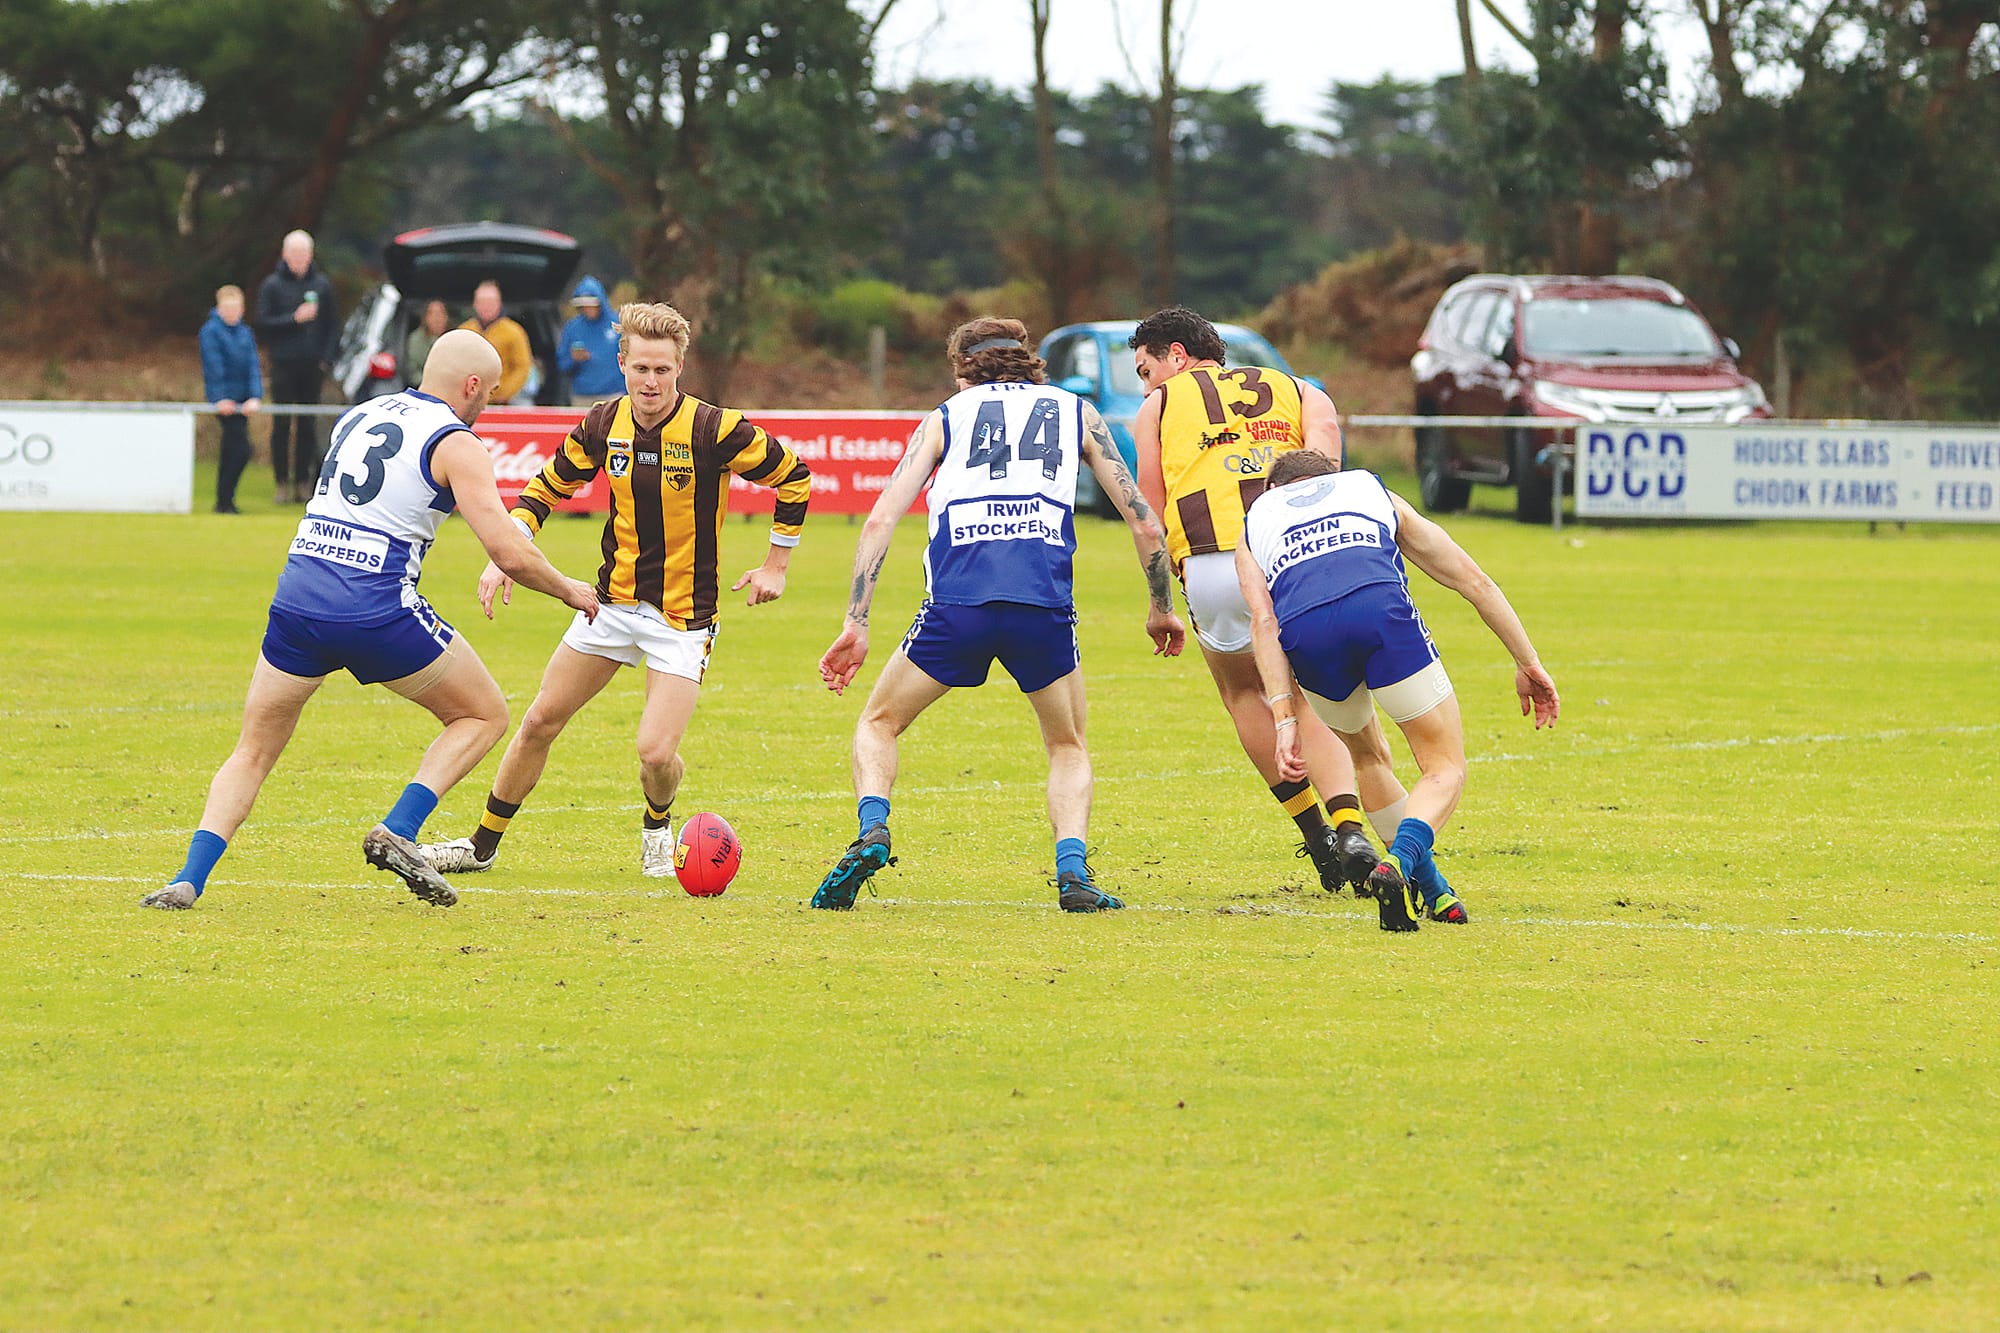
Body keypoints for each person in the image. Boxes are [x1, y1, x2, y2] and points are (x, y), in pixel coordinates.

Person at [143, 332, 602, 911]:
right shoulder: (457, 442)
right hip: (373, 606)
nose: (487, 405)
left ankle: (188, 878)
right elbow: (508, 550)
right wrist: (569, 590)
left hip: (298, 598)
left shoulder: (359, 413)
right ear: (470, 386)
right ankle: (400, 830)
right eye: (487, 393)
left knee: (253, 750)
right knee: (483, 714)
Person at [414, 302, 811, 879]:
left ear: (680, 370)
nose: (651, 382)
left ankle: (657, 823)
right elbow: (545, 489)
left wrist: (776, 566)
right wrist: (506, 553)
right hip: (610, 604)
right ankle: (481, 846)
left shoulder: (714, 428)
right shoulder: (602, 423)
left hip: (684, 618)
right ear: (621, 363)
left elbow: (794, 477)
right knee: (539, 721)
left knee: (654, 753)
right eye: (641, 369)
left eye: (663, 371)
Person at [812, 316, 1185, 913]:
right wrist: (1161, 606)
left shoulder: (946, 417)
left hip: (956, 607)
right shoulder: (1074, 412)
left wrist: (857, 621)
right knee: (1067, 745)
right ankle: (1073, 875)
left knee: (878, 724)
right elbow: (1143, 519)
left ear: (963, 369)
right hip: (1043, 607)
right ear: (1029, 362)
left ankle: (873, 831)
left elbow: (881, 519)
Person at [1130, 306, 1425, 910]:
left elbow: (1149, 515)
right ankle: (1350, 828)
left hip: (1211, 560)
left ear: (1177, 358)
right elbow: (1328, 482)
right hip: (1291, 556)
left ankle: (1316, 836)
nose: (1145, 384)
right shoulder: (1303, 392)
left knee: (1245, 693)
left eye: (1145, 369)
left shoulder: (1158, 407)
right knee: (1306, 698)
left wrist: (1161, 600)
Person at [1237, 449, 1560, 931]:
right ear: (1332, 476)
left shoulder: (1254, 521)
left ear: (1272, 490)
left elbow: (1263, 621)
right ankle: (1400, 865)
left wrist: (1285, 721)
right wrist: (1527, 661)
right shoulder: (1369, 489)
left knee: (1367, 759)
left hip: (1307, 636)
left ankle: (1436, 894)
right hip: (1379, 615)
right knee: (1444, 767)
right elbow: (1473, 580)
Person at [253, 229, 338, 504]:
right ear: (285, 255)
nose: (300, 259)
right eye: (295, 254)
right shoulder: (272, 286)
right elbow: (263, 323)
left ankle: (304, 482)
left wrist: (326, 359)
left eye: (304, 254)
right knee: (281, 425)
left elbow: (332, 326)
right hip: (283, 365)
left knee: (307, 425)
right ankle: (280, 482)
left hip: (312, 367)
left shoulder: (322, 285)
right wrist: (294, 318)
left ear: (311, 255)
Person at [199, 284, 261, 514]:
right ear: (219, 307)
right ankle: (225, 499)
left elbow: (252, 366)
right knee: (240, 449)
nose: (232, 312)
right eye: (227, 307)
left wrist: (255, 396)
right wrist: (220, 398)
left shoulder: (245, 333)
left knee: (232, 450)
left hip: (243, 402)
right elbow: (214, 367)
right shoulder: (211, 331)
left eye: (236, 308)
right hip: (225, 402)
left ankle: (225, 501)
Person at [460, 280, 532, 405]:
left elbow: (522, 367)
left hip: (507, 400)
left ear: (499, 304)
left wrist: (503, 394)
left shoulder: (514, 332)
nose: (486, 306)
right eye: (482, 302)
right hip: (469, 399)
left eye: (491, 302)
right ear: (475, 304)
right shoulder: (464, 331)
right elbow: (456, 366)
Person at [558, 276, 624, 405]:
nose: (588, 309)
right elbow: (562, 364)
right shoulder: (573, 327)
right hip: (582, 396)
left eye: (591, 305)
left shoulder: (617, 324)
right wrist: (574, 359)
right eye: (584, 306)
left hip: (614, 395)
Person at [403, 299, 451, 387]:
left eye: (441, 314)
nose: (437, 318)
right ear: (425, 318)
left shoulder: (453, 338)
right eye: (432, 314)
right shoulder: (416, 340)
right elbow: (412, 371)